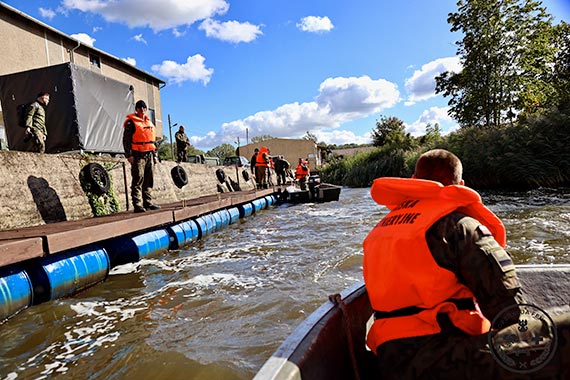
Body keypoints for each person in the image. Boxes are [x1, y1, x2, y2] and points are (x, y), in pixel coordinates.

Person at [362, 149, 569, 379]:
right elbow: (509, 313)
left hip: (390, 363)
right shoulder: (460, 226)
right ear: (460, 184)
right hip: (443, 362)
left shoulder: (379, 232)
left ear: (413, 181)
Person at [122, 100, 161, 213]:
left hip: (149, 153)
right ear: (136, 109)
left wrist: (155, 155)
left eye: (144, 108)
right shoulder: (131, 122)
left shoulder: (149, 122)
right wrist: (129, 155)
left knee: (149, 179)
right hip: (138, 154)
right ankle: (137, 204)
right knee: (138, 178)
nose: (142, 110)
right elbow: (126, 140)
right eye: (140, 108)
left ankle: (148, 203)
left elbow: (153, 141)